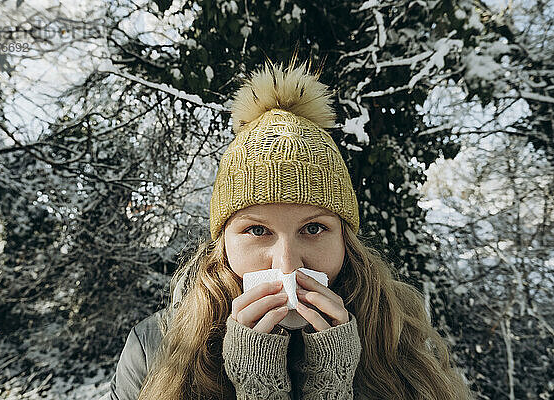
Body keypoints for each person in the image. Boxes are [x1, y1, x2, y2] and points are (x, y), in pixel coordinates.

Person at [103, 55, 473, 400]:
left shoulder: (402, 343)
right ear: (223, 242)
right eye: (257, 230)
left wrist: (331, 384)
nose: (286, 266)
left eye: (313, 228)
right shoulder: (156, 348)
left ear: (345, 239)